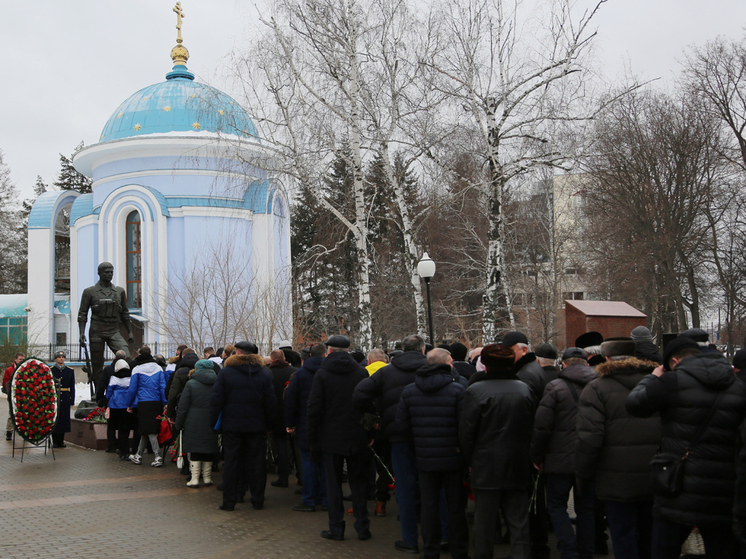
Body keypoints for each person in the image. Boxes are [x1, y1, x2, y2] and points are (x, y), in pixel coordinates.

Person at [627, 335, 746, 558]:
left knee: (664, 549)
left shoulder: (672, 381)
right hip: (722, 488)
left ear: (673, 361)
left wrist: (653, 378)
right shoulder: (735, 385)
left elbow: (635, 404)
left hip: (676, 484)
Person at [576, 337, 660, 559]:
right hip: (655, 473)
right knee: (650, 534)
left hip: (614, 478)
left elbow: (590, 437)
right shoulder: (656, 384)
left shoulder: (596, 388)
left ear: (606, 357)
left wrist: (583, 473)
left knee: (622, 535)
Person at [352, 334, 427, 550]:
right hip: (430, 435)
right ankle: (440, 536)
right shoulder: (436, 368)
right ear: (422, 350)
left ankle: (410, 539)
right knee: (433, 485)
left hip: (398, 433)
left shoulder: (387, 372)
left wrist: (375, 417)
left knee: (403, 485)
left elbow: (359, 394)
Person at [460, 343, 535, 559]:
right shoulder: (524, 389)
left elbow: (467, 432)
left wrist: (470, 460)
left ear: (485, 364)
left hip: (486, 464)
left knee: (484, 522)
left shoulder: (475, 391)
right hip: (518, 462)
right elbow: (532, 427)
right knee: (519, 521)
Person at [396, 349, 469, 559]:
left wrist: (417, 444)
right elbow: (464, 426)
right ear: (445, 364)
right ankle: (459, 551)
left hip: (424, 458)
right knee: (456, 507)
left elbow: (401, 425)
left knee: (429, 507)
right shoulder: (457, 390)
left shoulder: (410, 391)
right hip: (453, 459)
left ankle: (430, 550)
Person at [531, 347, 597, 559]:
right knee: (587, 508)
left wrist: (537, 457)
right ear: (587, 364)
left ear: (564, 364)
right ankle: (587, 551)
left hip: (559, 458)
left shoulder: (555, 387)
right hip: (590, 457)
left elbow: (542, 427)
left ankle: (568, 549)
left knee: (557, 506)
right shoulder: (599, 386)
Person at [307, 334, 372, 542]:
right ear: (347, 350)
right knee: (358, 483)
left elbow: (314, 408)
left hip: (331, 437)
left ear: (329, 351)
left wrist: (313, 437)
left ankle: (336, 528)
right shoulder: (361, 373)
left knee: (333, 484)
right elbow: (369, 404)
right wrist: (370, 433)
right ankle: (363, 527)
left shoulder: (322, 374)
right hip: (357, 435)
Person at [209, 340, 276, 511]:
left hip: (232, 426)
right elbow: (270, 402)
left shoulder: (226, 373)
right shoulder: (263, 373)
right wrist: (270, 424)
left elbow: (216, 400)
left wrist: (213, 423)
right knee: (256, 463)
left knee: (232, 463)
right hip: (256, 426)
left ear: (237, 353)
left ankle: (230, 500)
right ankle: (257, 499)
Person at [286, 342, 328, 512]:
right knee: (326, 464)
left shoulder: (300, 375)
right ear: (325, 354)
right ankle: (326, 499)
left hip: (305, 425)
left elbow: (291, 401)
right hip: (327, 426)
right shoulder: (329, 373)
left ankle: (309, 499)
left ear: (309, 356)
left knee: (308, 463)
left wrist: (290, 424)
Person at [78, 262, 133, 387]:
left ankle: (123, 385)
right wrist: (81, 333)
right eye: (106, 272)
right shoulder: (89, 292)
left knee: (126, 357)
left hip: (114, 331)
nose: (109, 274)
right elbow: (82, 314)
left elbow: (125, 313)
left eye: (111, 272)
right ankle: (98, 393)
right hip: (96, 331)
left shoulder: (119, 291)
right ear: (99, 273)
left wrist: (129, 331)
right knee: (97, 364)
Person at [175, 359, 219, 487]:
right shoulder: (217, 382)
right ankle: (207, 478)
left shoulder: (191, 383)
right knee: (208, 448)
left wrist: (178, 424)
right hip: (211, 419)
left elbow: (183, 406)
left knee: (195, 449)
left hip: (193, 420)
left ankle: (194, 478)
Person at [124, 346, 167, 467]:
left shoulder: (137, 369)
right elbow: (162, 387)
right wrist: (165, 403)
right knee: (145, 429)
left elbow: (132, 389)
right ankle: (138, 455)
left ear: (139, 354)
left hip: (143, 402)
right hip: (156, 402)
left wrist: (129, 404)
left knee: (150, 430)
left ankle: (158, 456)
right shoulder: (158, 368)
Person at [267, 348, 297, 488]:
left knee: (280, 445)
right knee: (295, 446)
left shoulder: (268, 373)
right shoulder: (293, 372)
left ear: (272, 360)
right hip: (293, 414)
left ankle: (283, 476)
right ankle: (300, 476)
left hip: (275, 415)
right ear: (284, 358)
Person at [96, 350, 128, 452]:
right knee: (123, 426)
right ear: (125, 359)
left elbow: (102, 385)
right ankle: (123, 446)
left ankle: (112, 446)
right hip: (125, 403)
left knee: (111, 425)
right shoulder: (128, 370)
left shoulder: (108, 369)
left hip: (111, 402)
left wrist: (100, 399)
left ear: (115, 357)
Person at [105, 359, 136, 460]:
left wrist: (107, 400)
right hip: (127, 406)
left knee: (118, 429)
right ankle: (126, 450)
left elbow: (109, 392)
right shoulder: (131, 377)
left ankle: (122, 450)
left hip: (115, 406)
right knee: (125, 429)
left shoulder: (114, 378)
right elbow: (133, 391)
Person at [50, 351, 76, 448]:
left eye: (62, 357)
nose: (61, 359)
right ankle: (55, 441)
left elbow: (72, 386)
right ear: (55, 359)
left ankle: (61, 440)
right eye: (59, 357)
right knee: (55, 419)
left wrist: (71, 399)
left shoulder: (69, 371)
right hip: (55, 396)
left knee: (64, 419)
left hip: (65, 396)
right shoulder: (51, 370)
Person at [3, 352, 25, 440]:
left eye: (23, 359)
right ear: (15, 360)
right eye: (20, 359)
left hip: (23, 395)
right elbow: (5, 382)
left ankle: (24, 431)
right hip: (13, 395)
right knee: (12, 413)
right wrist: (10, 391)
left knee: (24, 413)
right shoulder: (9, 370)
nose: (21, 361)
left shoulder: (26, 369)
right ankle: (9, 431)